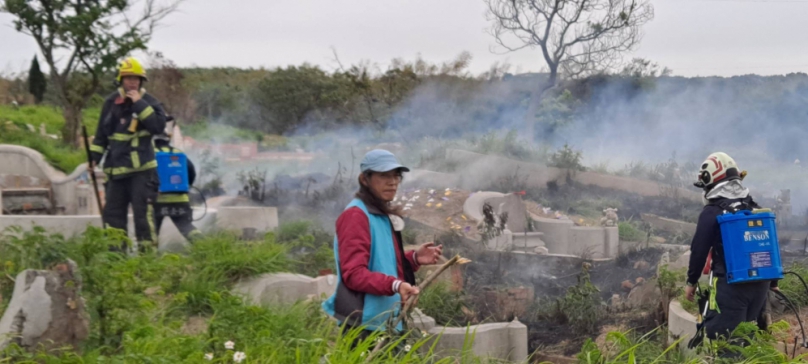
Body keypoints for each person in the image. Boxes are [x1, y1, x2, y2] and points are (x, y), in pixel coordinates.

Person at [322, 149, 443, 346]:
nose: (392, 181)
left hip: (385, 320)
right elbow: (353, 273)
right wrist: (395, 285)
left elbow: (381, 262)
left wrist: (413, 259)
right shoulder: (356, 215)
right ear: (364, 179)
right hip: (363, 324)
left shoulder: (379, 214)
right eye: (384, 175)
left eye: (396, 176)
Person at [684, 152, 778, 343]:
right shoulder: (752, 207)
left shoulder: (712, 212)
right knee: (748, 341)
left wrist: (691, 282)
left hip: (730, 287)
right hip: (760, 286)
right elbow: (768, 244)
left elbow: (699, 250)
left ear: (710, 181)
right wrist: (774, 282)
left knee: (727, 344)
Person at [89, 57, 167, 252]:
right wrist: (94, 158)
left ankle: (147, 260)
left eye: (136, 78)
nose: (132, 81)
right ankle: (116, 259)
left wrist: (139, 105)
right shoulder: (111, 102)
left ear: (141, 81)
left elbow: (158, 126)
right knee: (113, 216)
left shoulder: (150, 102)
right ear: (121, 79)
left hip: (142, 172)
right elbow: (101, 136)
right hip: (116, 172)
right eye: (128, 77)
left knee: (143, 217)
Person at [152, 117, 202, 242]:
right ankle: (204, 246)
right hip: (180, 199)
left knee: (152, 231)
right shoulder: (178, 154)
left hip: (157, 201)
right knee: (187, 227)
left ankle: (149, 257)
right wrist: (185, 187)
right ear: (168, 139)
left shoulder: (150, 155)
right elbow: (192, 172)